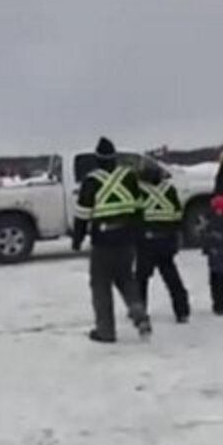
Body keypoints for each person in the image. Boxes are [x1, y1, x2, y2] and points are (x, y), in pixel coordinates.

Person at [72, 137, 152, 343]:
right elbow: (139, 208)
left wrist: (77, 239)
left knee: (100, 285)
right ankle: (139, 314)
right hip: (126, 239)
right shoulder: (129, 178)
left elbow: (82, 214)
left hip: (103, 241)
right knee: (126, 279)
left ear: (97, 159)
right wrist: (140, 235)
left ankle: (105, 331)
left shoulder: (91, 181)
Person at [136, 163, 191, 323]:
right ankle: (182, 310)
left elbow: (135, 215)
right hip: (166, 239)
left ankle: (140, 311)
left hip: (146, 240)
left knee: (141, 279)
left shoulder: (139, 191)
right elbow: (177, 215)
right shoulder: (169, 190)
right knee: (171, 277)